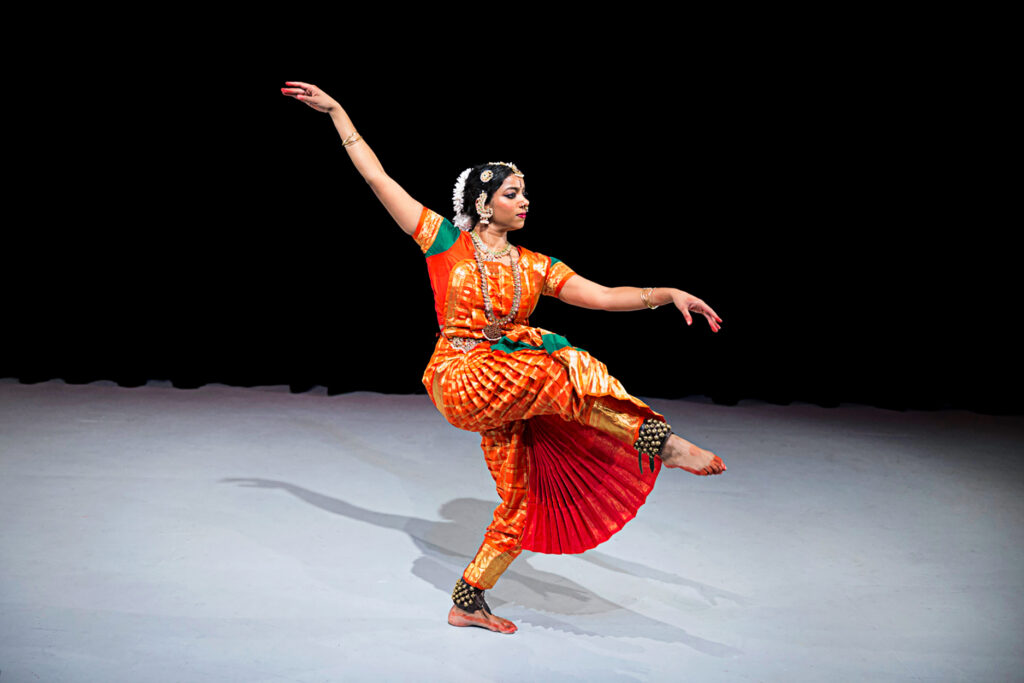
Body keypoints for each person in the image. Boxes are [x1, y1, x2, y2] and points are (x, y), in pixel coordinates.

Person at [282, 81, 726, 635]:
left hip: (511, 391)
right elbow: (378, 178)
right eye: (513, 192)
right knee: (560, 363)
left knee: (520, 507)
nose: (525, 200)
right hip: (463, 375)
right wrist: (339, 114)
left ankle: (468, 600)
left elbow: (606, 296)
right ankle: (661, 445)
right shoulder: (445, 242)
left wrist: (668, 294)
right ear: (483, 201)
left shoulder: (537, 264)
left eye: (525, 192)